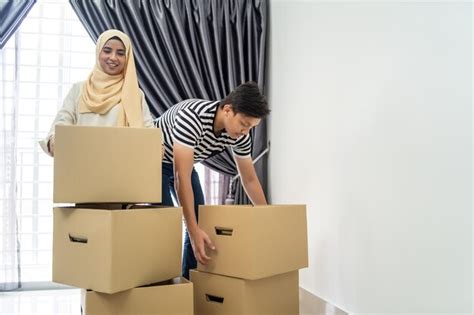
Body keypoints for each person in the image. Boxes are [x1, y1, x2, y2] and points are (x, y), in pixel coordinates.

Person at [155, 81, 270, 279]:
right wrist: (191, 230)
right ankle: (161, 286)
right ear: (227, 110)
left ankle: (188, 283)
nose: (246, 132)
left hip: (184, 165)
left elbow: (249, 179)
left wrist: (268, 217)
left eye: (251, 127)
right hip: (154, 162)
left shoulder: (240, 136)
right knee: (166, 224)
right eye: (244, 124)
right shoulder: (192, 117)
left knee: (201, 222)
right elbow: (181, 176)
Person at [39, 29, 154, 156]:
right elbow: (62, 123)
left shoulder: (135, 94)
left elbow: (147, 129)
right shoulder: (79, 89)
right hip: (83, 164)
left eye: (120, 53)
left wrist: (156, 144)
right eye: (107, 51)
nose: (113, 57)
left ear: (127, 58)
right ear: (98, 52)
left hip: (121, 166)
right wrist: (55, 139)